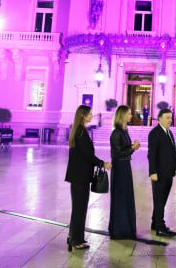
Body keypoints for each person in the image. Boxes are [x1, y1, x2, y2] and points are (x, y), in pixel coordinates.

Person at [65, 105, 111, 251]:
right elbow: (87, 155)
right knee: (79, 208)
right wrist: (102, 163)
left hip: (80, 176)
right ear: (83, 116)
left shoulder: (80, 131)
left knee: (79, 208)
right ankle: (75, 240)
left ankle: (73, 236)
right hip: (79, 177)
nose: (92, 116)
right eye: (90, 114)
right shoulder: (80, 132)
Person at [108, 105, 140, 240]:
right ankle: (119, 230)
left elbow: (124, 148)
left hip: (125, 166)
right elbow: (117, 154)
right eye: (128, 114)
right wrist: (133, 148)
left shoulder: (124, 131)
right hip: (119, 168)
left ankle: (127, 228)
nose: (131, 116)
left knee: (126, 197)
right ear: (122, 116)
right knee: (120, 197)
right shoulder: (116, 133)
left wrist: (132, 146)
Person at [148, 108, 176, 237]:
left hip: (168, 172)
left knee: (162, 199)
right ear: (159, 118)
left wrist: (175, 167)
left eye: (171, 118)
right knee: (159, 200)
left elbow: (173, 151)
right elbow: (152, 154)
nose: (170, 120)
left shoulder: (169, 133)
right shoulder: (155, 133)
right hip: (159, 173)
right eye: (167, 118)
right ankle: (160, 228)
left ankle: (155, 222)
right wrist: (153, 172)